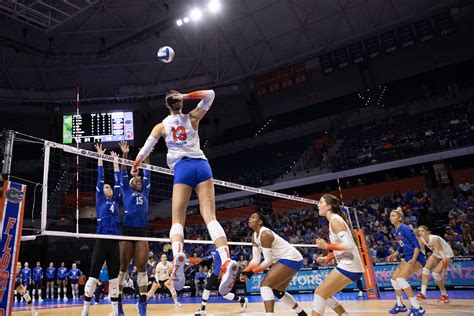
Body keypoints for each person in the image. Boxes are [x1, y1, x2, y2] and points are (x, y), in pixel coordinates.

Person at [131, 89, 238, 295]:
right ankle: (226, 260)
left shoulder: (161, 126)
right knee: (211, 218)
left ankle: (178, 253)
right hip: (202, 165)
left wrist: (136, 166)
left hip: (183, 169)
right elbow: (211, 94)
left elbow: (145, 150)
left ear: (166, 106)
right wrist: (187, 96)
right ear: (179, 102)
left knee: (177, 220)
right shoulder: (192, 117)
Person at [240, 212, 306, 315]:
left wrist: (251, 273)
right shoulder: (254, 236)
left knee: (265, 285)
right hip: (287, 260)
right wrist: (245, 271)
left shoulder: (266, 234)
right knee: (277, 291)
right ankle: (301, 313)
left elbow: (268, 261)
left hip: (291, 258)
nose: (249, 219)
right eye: (250, 217)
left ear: (260, 222)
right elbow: (256, 260)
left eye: (253, 217)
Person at [82, 144, 121, 316]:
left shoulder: (116, 199)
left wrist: (115, 161)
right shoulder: (99, 200)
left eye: (109, 187)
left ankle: (113, 311)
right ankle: (86, 309)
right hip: (101, 241)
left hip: (114, 243)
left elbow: (118, 179)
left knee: (114, 278)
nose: (108, 188)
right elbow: (100, 177)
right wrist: (100, 157)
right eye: (105, 187)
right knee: (93, 276)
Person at [311, 194, 364, 316]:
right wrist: (328, 257)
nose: (318, 205)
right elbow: (344, 248)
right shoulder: (334, 221)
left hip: (349, 266)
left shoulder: (335, 221)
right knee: (326, 295)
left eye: (320, 202)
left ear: (328, 206)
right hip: (351, 266)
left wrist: (326, 246)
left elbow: (349, 245)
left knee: (319, 293)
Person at [118, 141, 151, 316]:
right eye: (136, 179)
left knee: (142, 267)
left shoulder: (145, 191)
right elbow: (123, 171)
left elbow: (148, 173)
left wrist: (146, 157)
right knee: (123, 266)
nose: (138, 180)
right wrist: (125, 154)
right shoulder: (125, 190)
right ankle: (119, 302)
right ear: (131, 183)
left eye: (139, 179)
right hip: (127, 230)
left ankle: (142, 303)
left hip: (141, 231)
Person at [386, 207, 426, 316]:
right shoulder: (394, 230)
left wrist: (413, 261)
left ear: (400, 218)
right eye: (390, 216)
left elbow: (416, 246)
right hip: (407, 257)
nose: (390, 217)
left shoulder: (405, 228)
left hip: (417, 258)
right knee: (394, 280)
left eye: (393, 215)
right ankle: (400, 305)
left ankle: (418, 308)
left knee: (400, 279)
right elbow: (401, 244)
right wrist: (395, 254)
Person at [195, 247, 248, 315]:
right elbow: (212, 257)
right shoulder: (212, 248)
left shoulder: (222, 248)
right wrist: (202, 259)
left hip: (223, 272)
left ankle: (242, 300)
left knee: (224, 294)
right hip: (215, 272)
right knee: (207, 288)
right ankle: (202, 309)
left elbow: (227, 260)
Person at [416, 225, 454, 303]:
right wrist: (420, 268)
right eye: (419, 231)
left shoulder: (435, 239)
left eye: (422, 231)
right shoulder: (421, 239)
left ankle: (444, 296)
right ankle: (422, 295)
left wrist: (443, 273)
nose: (420, 233)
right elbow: (423, 254)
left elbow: (443, 257)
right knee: (425, 270)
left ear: (427, 232)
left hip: (447, 255)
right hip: (437, 254)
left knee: (436, 274)